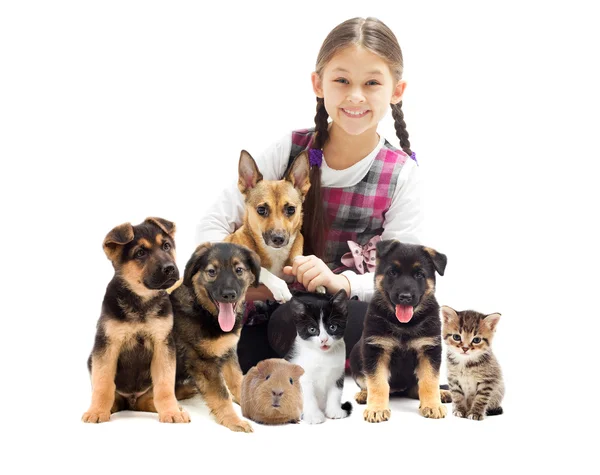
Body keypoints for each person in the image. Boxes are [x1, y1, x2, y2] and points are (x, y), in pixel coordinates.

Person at [197, 17, 423, 373]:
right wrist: (238, 278)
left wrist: (341, 281)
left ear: (397, 90)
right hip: (275, 306)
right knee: (251, 339)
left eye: (372, 83)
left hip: (341, 308)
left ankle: (361, 363)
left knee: (374, 329)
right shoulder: (294, 150)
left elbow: (408, 270)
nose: (355, 96)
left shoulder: (400, 172)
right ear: (318, 84)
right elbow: (212, 224)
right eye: (342, 80)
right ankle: (340, 364)